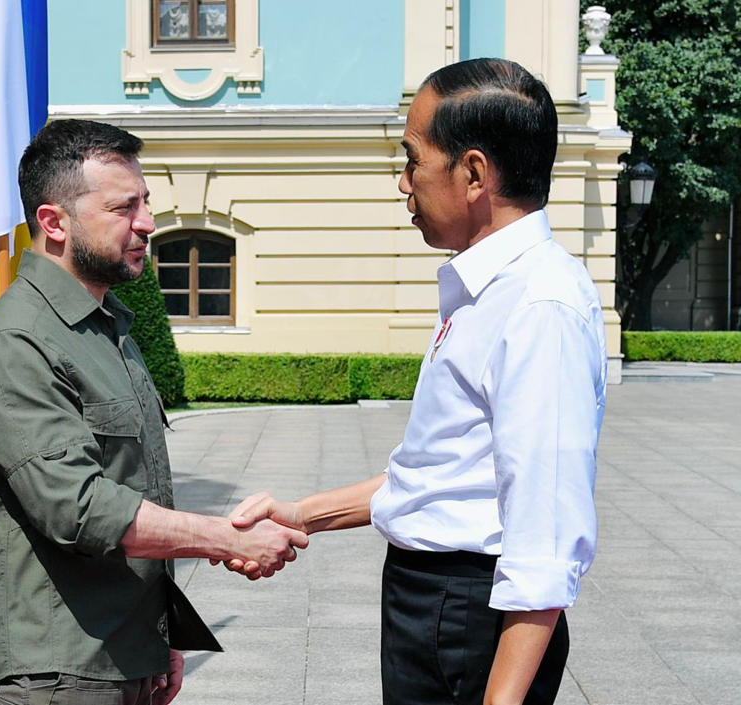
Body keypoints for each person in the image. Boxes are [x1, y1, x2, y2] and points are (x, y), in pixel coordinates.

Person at [223, 58, 607, 705]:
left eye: (412, 160)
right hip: (433, 604)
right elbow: (439, 475)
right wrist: (302, 514)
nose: (402, 183)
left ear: (475, 173)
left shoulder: (539, 305)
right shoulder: (481, 291)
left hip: (471, 615)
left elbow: (544, 537)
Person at [0, 119, 308, 705]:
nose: (146, 222)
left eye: (145, 203)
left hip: (122, 655)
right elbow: (82, 508)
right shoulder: (16, 343)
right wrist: (226, 539)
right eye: (124, 207)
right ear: (53, 222)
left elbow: (139, 487)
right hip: (57, 673)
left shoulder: (107, 327)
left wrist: (162, 632)